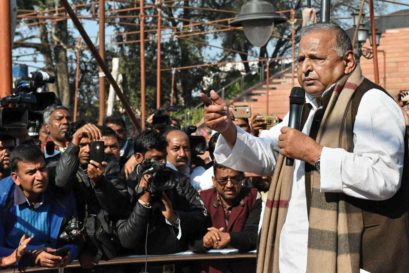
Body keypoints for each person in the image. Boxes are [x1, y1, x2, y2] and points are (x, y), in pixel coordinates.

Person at [201, 22, 408, 273]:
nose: (306, 68)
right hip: (296, 256)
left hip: (353, 257)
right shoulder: (304, 108)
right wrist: (228, 130)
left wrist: (315, 154)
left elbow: (384, 178)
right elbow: (267, 155)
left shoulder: (371, 102)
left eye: (316, 58)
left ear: (348, 61)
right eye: (300, 59)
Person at [116, 129, 208, 256]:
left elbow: (202, 216)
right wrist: (144, 200)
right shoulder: (126, 186)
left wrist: (175, 217)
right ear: (138, 157)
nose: (162, 163)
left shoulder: (178, 180)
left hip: (177, 262)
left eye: (164, 158)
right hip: (140, 265)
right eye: (156, 159)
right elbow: (127, 239)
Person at [0, 144, 77, 268]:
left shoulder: (60, 195)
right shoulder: (2, 199)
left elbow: (75, 238)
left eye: (42, 169)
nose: (40, 177)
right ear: (16, 178)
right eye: (31, 172)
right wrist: (30, 257)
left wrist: (69, 253)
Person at [193, 163, 261, 273]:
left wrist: (230, 237)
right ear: (214, 181)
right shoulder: (202, 198)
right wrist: (205, 241)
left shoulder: (253, 197)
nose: (229, 185)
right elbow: (191, 238)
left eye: (235, 179)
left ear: (242, 178)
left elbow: (254, 235)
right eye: (223, 180)